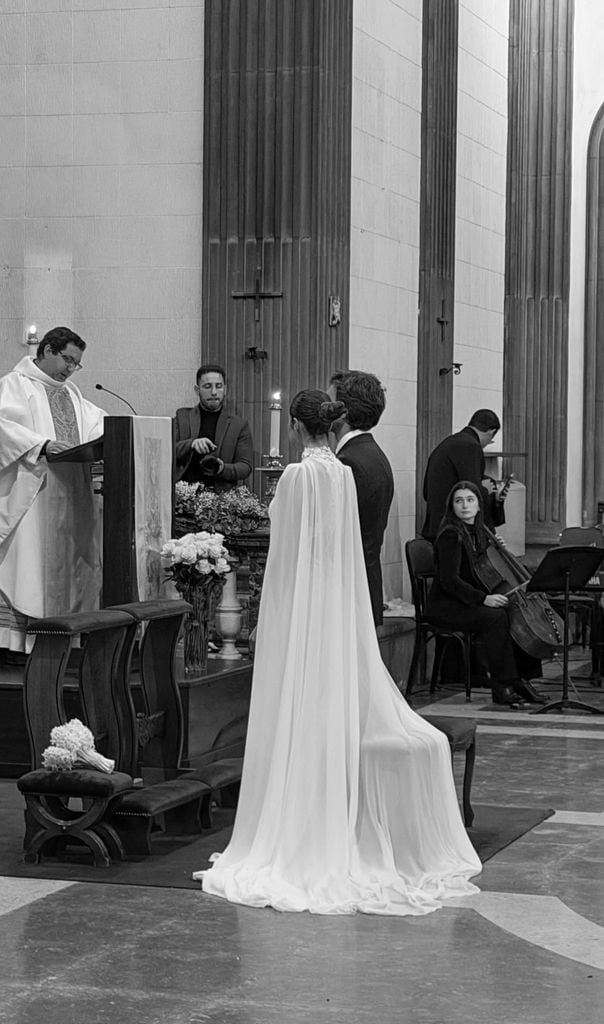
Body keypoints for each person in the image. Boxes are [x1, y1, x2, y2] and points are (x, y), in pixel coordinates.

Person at [194, 390, 481, 915]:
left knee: (301, 697)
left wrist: (272, 619)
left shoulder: (299, 477)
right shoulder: (343, 475)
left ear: (297, 428)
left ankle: (297, 819)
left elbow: (284, 555)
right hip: (338, 599)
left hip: (304, 602)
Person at [0, 327, 105, 654]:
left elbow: (97, 425)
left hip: (73, 494)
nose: (71, 368)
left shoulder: (71, 393)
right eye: (68, 359)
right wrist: (41, 445)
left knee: (72, 568)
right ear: (46, 350)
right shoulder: (14, 385)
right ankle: (20, 645)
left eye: (76, 363)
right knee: (30, 566)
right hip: (36, 497)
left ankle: (65, 639)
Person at [425, 480, 546, 707]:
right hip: (445, 605)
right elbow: (450, 581)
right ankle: (503, 685)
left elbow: (479, 571)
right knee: (495, 618)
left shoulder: (478, 532)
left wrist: (493, 548)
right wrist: (483, 599)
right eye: (458, 501)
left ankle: (521, 679)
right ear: (452, 506)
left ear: (479, 505)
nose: (465, 506)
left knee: (513, 611)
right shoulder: (450, 535)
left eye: (470, 500)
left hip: (464, 601)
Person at [329, 370, 394, 626]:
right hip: (365, 584)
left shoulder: (350, 462)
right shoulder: (372, 453)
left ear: (343, 412)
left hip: (351, 591)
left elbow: (338, 533)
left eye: (329, 399)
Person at [421, 409, 505, 542]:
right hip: (455, 534)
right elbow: (474, 493)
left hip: (436, 529)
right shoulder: (470, 446)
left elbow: (426, 492)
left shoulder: (447, 443)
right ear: (491, 432)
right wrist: (491, 537)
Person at [174, 365, 253, 490]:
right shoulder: (182, 417)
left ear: (225, 389)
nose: (214, 392)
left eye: (219, 386)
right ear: (197, 390)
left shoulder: (239, 425)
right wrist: (192, 444)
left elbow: (246, 467)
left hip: (221, 498)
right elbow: (168, 451)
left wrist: (221, 468)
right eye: (207, 386)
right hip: (185, 494)